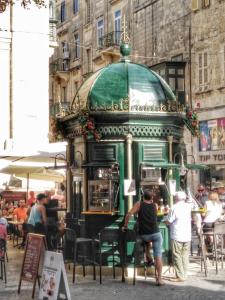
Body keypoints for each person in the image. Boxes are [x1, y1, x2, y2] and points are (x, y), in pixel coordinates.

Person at [123, 190, 164, 286]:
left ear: (143, 197)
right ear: (152, 198)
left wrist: (125, 226)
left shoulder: (139, 204)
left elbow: (128, 214)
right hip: (156, 233)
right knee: (158, 256)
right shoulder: (155, 205)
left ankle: (149, 258)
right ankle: (159, 279)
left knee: (145, 242)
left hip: (144, 235)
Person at [165, 191, 192, 282]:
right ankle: (184, 274)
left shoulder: (174, 207)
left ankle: (180, 276)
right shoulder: (188, 207)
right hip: (187, 235)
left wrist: (164, 221)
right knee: (185, 256)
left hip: (177, 234)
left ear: (176, 198)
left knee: (177, 255)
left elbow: (169, 221)